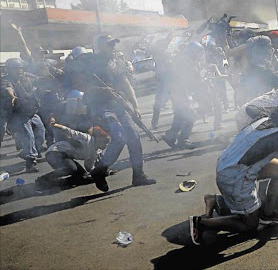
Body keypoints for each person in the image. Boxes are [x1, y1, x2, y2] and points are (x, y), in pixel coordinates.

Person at [189, 106, 278, 245]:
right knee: (250, 226)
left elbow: (251, 108)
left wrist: (273, 111)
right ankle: (201, 224)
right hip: (235, 177)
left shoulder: (263, 118)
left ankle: (268, 213)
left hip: (226, 164)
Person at [82, 34, 156, 191]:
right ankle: (100, 170)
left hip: (120, 106)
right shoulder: (92, 65)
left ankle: (139, 175)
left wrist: (135, 106)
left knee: (134, 137)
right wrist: (103, 90)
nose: (113, 47)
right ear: (101, 47)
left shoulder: (118, 63)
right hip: (102, 108)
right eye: (109, 45)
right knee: (120, 137)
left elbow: (126, 84)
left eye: (113, 44)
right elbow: (84, 88)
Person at [35, 119, 111, 189]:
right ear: (99, 138)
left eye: (107, 143)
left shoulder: (96, 152)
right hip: (54, 153)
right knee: (71, 169)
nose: (106, 145)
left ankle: (58, 183)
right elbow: (69, 131)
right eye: (105, 142)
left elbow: (89, 165)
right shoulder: (87, 139)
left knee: (83, 177)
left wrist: (96, 174)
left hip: (66, 157)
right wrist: (55, 125)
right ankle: (42, 180)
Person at [1, 58, 46, 172]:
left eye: (20, 68)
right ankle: (30, 163)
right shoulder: (5, 80)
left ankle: (29, 152)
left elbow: (39, 79)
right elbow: (8, 88)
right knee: (28, 136)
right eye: (16, 69)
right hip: (17, 114)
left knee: (41, 133)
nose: (19, 71)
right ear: (10, 70)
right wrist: (12, 97)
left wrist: (47, 79)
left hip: (31, 111)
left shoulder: (26, 77)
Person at [162, 41, 204, 150]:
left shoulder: (188, 61)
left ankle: (170, 136)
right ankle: (183, 139)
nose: (199, 55)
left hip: (179, 92)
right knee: (191, 115)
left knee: (180, 117)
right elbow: (181, 80)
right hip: (180, 93)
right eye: (198, 52)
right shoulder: (184, 62)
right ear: (192, 51)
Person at [148, 34, 174, 129]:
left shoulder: (166, 54)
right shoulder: (157, 54)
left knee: (176, 99)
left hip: (170, 79)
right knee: (158, 102)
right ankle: (154, 123)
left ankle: (180, 119)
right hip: (162, 80)